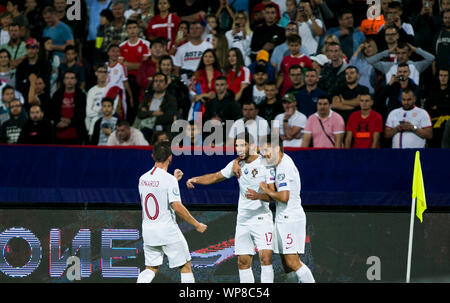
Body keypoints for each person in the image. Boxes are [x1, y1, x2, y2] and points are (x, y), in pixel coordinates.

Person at [186, 132, 274, 283]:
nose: (239, 149)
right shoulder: (237, 164)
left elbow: (273, 196)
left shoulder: (265, 163)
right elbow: (215, 176)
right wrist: (195, 179)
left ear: (251, 146)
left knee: (265, 259)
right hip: (243, 220)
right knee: (243, 262)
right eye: (236, 146)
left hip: (262, 218)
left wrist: (259, 196)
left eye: (242, 145)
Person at [242, 135, 316, 283]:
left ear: (276, 148)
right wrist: (238, 161)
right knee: (286, 263)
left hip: (291, 218)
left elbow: (284, 197)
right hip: (283, 217)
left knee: (292, 262)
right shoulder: (276, 159)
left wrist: (264, 190)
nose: (263, 154)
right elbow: (253, 150)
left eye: (266, 150)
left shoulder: (284, 167)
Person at [136, 140, 207, 283]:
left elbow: (157, 190)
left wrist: (173, 180)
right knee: (185, 266)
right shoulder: (168, 180)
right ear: (170, 157)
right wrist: (197, 224)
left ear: (152, 156)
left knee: (150, 268)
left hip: (149, 231)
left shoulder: (143, 179)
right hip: (167, 230)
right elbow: (177, 206)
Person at [367, 42, 435, 86]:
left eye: (403, 53)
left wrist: (415, 49)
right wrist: (388, 51)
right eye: (398, 53)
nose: (400, 56)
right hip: (393, 101)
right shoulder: (389, 66)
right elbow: (370, 61)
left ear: (409, 53)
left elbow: (431, 58)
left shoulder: (416, 66)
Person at [135, 72, 177, 142]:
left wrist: (147, 114)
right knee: (141, 133)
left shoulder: (171, 99)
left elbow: (169, 116)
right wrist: (153, 113)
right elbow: (139, 113)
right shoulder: (147, 97)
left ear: (166, 85)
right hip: (147, 129)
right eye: (156, 81)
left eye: (161, 81)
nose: (158, 83)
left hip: (163, 128)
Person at [50, 71, 87, 145]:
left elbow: (82, 114)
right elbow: (52, 112)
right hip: (58, 134)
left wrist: (69, 122)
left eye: (72, 78)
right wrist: (60, 119)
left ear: (76, 81)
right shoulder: (57, 95)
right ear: (64, 81)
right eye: (67, 78)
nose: (69, 81)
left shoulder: (81, 96)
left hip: (76, 134)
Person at [85, 64, 116, 136]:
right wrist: (104, 110)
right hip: (94, 125)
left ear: (108, 74)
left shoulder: (112, 89)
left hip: (109, 123)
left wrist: (95, 108)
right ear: (96, 73)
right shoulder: (91, 91)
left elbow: (113, 110)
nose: (102, 74)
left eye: (105, 72)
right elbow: (88, 112)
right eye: (100, 72)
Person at [424, 68, 450, 147]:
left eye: (445, 76)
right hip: (434, 125)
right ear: (438, 77)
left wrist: (438, 107)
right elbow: (427, 106)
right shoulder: (432, 91)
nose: (443, 78)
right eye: (441, 75)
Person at [136, 37, 167, 102]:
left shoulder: (167, 63)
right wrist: (159, 82)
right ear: (150, 50)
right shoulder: (144, 64)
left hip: (165, 99)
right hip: (147, 98)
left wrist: (152, 80)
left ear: (164, 50)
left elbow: (169, 81)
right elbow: (140, 81)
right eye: (155, 47)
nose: (158, 49)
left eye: (160, 47)